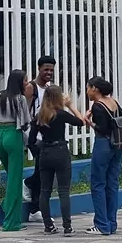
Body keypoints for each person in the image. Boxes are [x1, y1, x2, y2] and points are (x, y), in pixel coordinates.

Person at [33, 84, 83, 235]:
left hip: (45, 153)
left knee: (45, 190)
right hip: (60, 151)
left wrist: (38, 150)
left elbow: (31, 139)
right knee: (63, 191)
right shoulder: (61, 114)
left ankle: (48, 226)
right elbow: (81, 122)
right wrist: (71, 106)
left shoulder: (39, 116)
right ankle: (67, 227)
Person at [0, 69, 32, 232]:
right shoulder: (20, 99)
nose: (27, 84)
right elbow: (25, 122)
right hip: (13, 135)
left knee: (11, 176)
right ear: (19, 82)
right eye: (25, 81)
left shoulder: (0, 95)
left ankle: (7, 205)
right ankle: (11, 222)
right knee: (15, 180)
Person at [85, 76, 122, 235]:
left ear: (95, 88)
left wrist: (89, 122)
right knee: (112, 184)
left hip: (103, 144)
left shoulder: (97, 106)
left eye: (88, 88)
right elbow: (121, 119)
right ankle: (111, 222)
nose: (87, 91)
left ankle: (101, 224)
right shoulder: (113, 102)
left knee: (97, 184)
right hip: (117, 145)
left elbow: (102, 129)